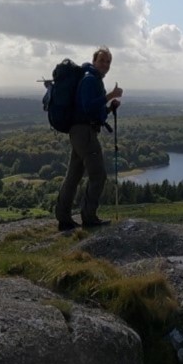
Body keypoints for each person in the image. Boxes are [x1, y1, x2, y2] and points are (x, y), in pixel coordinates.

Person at [55, 46, 123, 231]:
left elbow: (95, 113)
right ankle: (89, 217)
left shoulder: (93, 79)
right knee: (98, 175)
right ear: (94, 61)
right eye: (102, 60)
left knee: (73, 176)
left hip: (80, 132)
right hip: (84, 134)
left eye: (108, 62)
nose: (105, 65)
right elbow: (87, 106)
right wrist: (110, 95)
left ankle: (64, 218)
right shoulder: (89, 79)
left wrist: (110, 108)